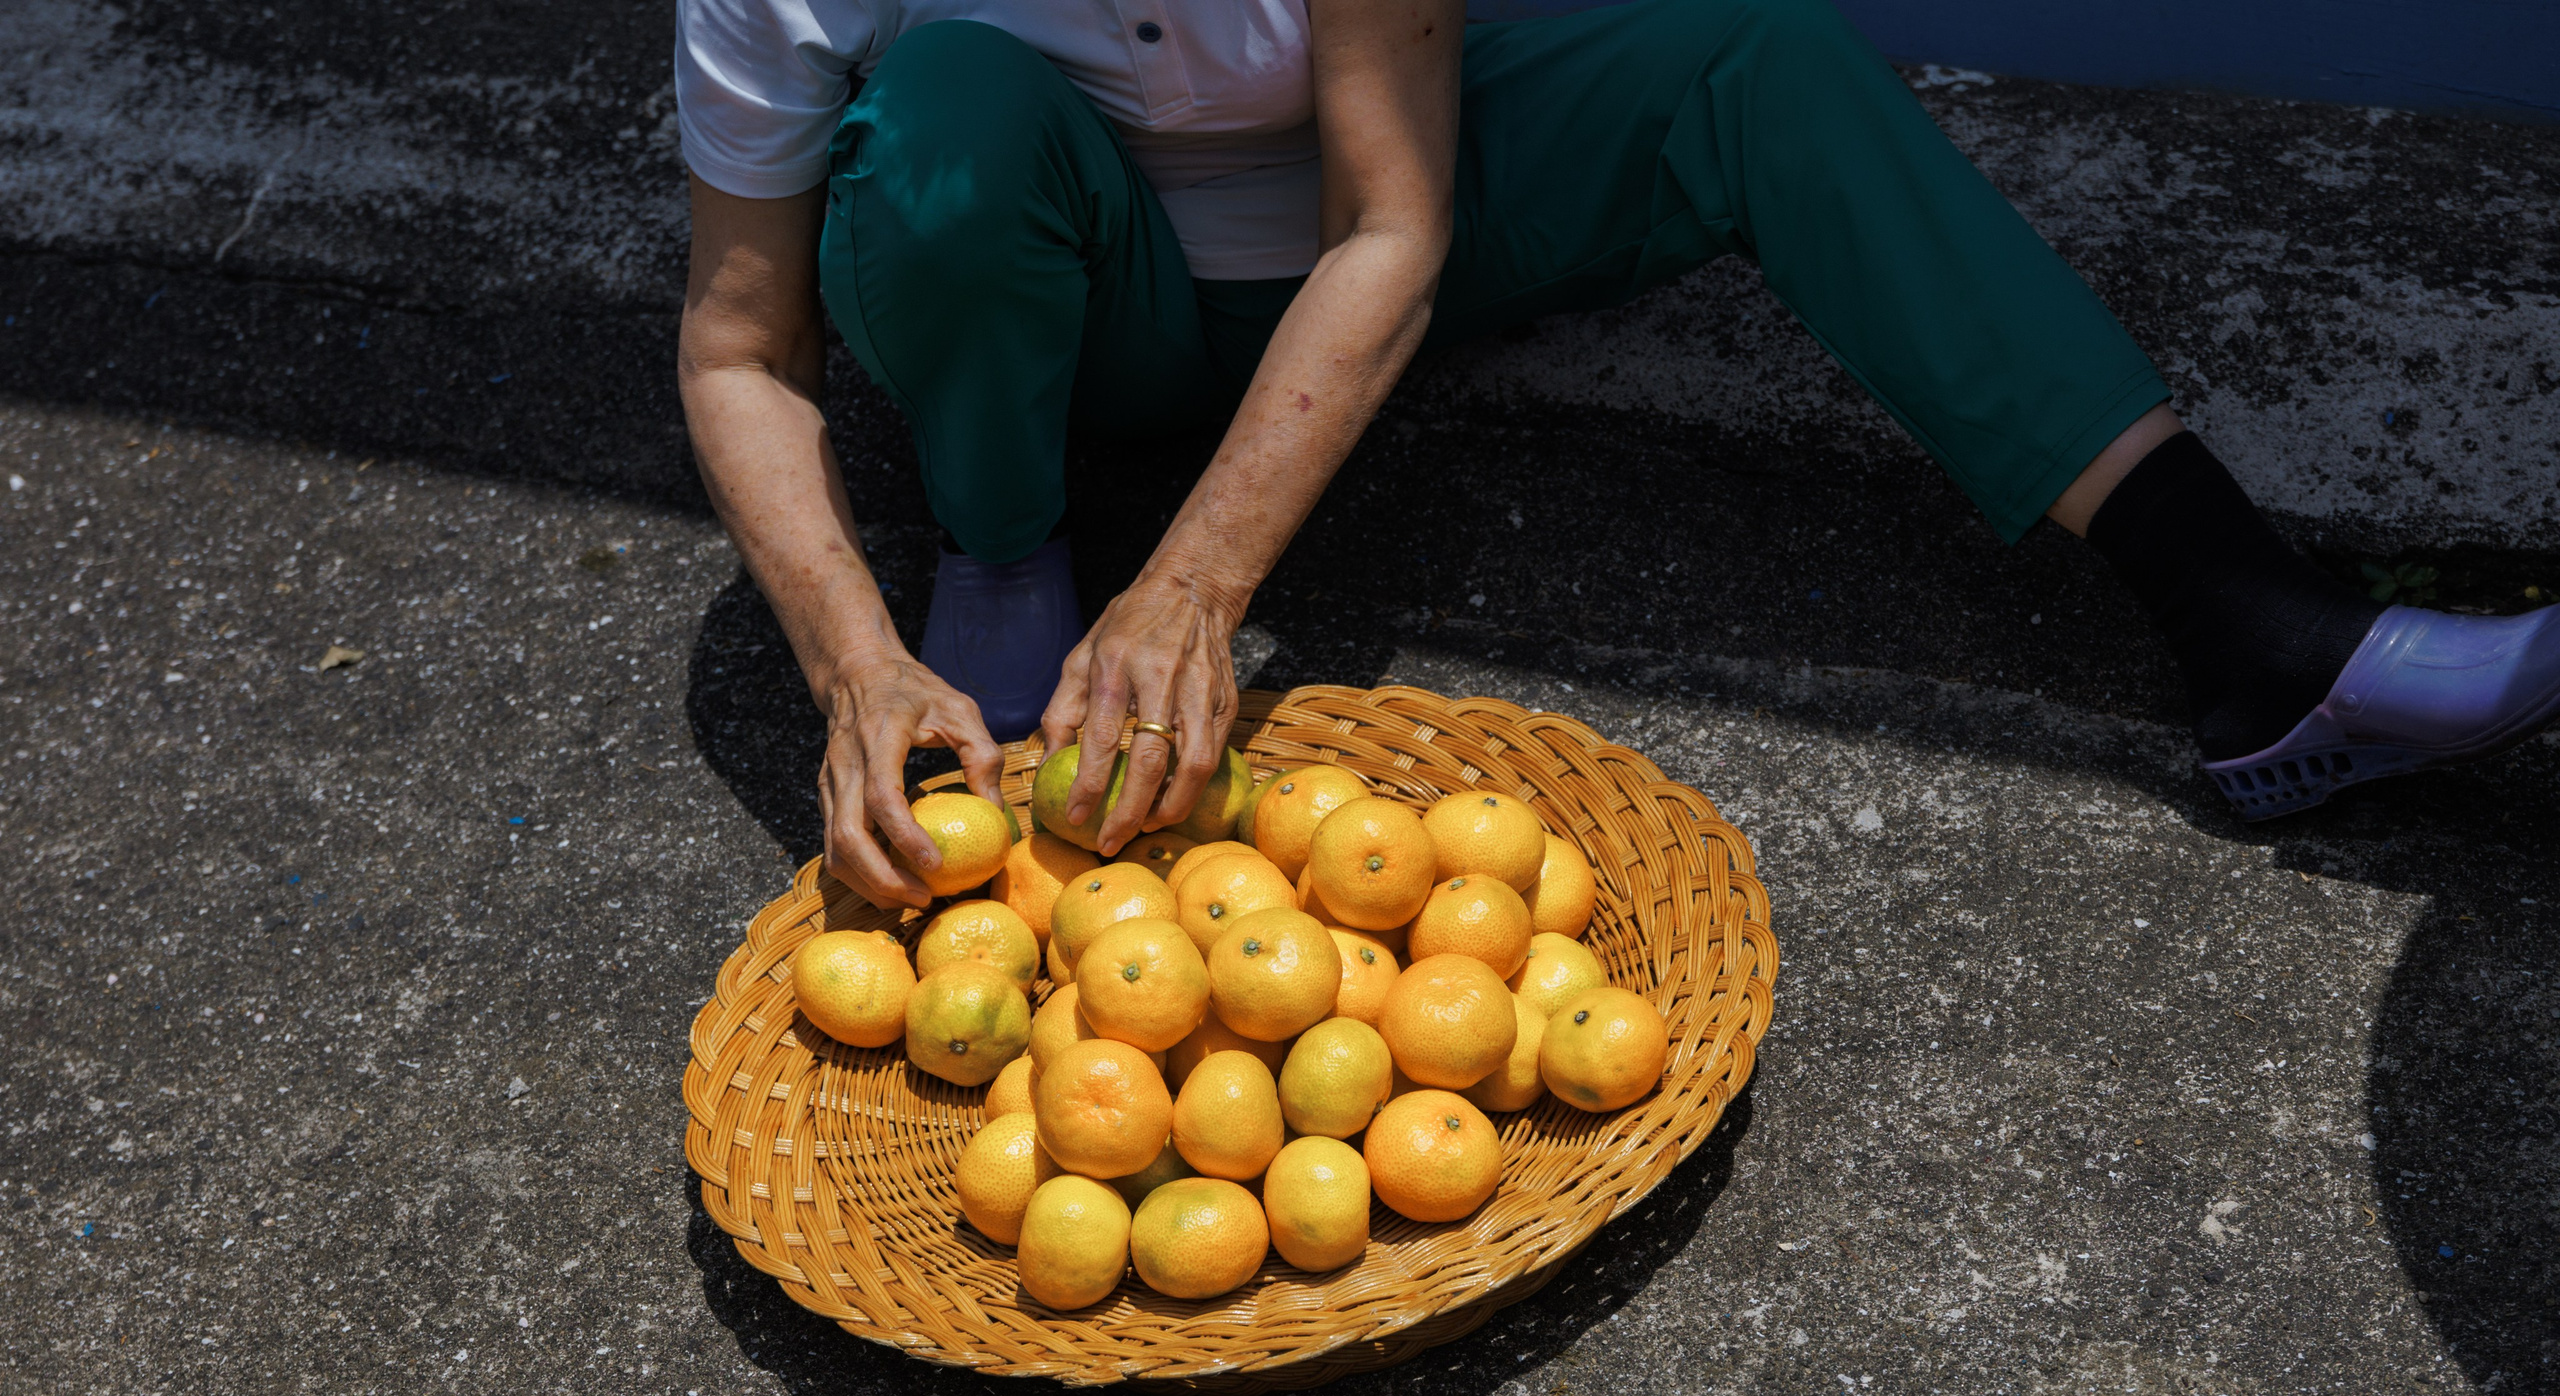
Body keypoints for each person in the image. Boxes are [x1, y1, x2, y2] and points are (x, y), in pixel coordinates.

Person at [675, 0, 2560, 909]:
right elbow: (743, 342)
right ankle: (1003, 562)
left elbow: (1389, 223)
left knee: (1753, 52)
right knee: (944, 124)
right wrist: (847, 663)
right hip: (1068, 303)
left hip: (1371, 245)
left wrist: (1199, 586)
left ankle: (2259, 633)